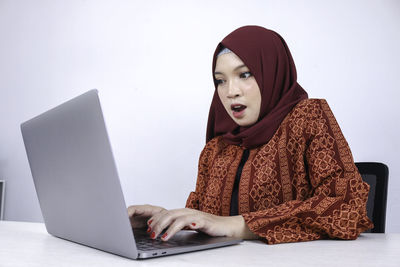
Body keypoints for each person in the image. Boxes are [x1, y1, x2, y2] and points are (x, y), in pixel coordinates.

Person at [128, 25, 373, 244]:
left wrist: (237, 224)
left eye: (244, 74)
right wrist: (164, 219)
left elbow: (348, 208)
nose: (230, 91)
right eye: (220, 81)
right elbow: (204, 221)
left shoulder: (307, 118)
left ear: (271, 72)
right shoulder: (216, 149)